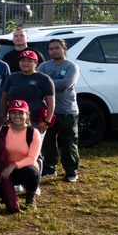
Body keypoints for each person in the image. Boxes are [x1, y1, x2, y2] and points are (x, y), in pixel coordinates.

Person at [37, 38, 80, 182]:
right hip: (48, 111)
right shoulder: (43, 66)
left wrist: (47, 83)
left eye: (57, 48)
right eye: (51, 49)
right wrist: (49, 83)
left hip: (67, 111)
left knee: (68, 142)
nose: (54, 51)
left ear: (64, 48)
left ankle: (71, 171)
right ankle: (49, 168)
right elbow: (38, 82)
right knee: (48, 141)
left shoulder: (71, 67)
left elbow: (66, 83)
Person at [0, 100, 42, 211]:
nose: (17, 116)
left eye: (21, 113)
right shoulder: (3, 130)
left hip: (24, 169)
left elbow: (32, 159)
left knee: (32, 173)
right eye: (13, 113)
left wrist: (13, 166)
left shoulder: (33, 132)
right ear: (9, 114)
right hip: (5, 170)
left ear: (27, 115)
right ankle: (7, 193)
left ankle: (30, 198)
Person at [0, 50, 56, 129]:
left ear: (36, 63)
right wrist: (3, 117)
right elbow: (4, 99)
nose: (25, 63)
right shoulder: (11, 77)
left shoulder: (44, 79)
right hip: (14, 121)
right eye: (22, 60)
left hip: (35, 122)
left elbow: (51, 103)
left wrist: (47, 121)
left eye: (29, 61)